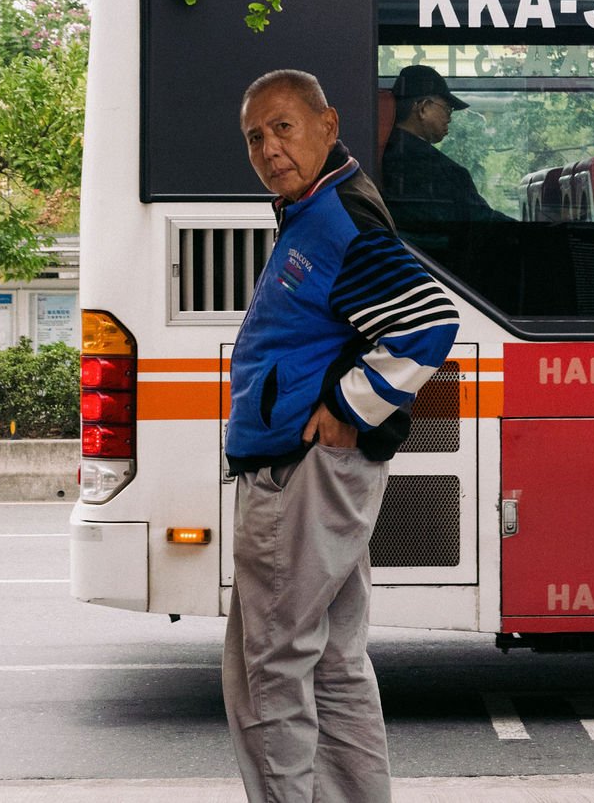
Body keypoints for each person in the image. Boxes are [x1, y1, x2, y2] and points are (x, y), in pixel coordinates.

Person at [223, 69, 459, 803]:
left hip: (303, 474)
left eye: (283, 127)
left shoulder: (339, 220)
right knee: (332, 663)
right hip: (319, 475)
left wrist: (348, 408)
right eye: (255, 137)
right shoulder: (317, 209)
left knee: (268, 667)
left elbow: (429, 324)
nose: (268, 148)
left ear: (328, 124)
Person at [379, 64, 508, 227]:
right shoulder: (443, 172)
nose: (450, 119)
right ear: (423, 108)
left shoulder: (379, 153)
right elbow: (483, 221)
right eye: (447, 109)